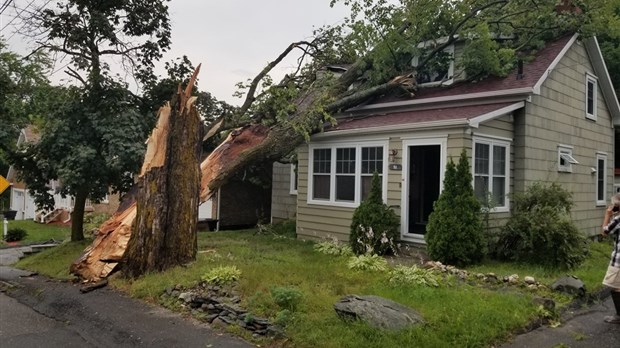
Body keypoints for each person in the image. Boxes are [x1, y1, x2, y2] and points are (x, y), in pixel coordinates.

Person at [601, 193, 620, 324]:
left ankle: (619, 316)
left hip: (619, 261)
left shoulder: (618, 219)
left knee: (615, 287)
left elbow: (604, 232)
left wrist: (608, 214)